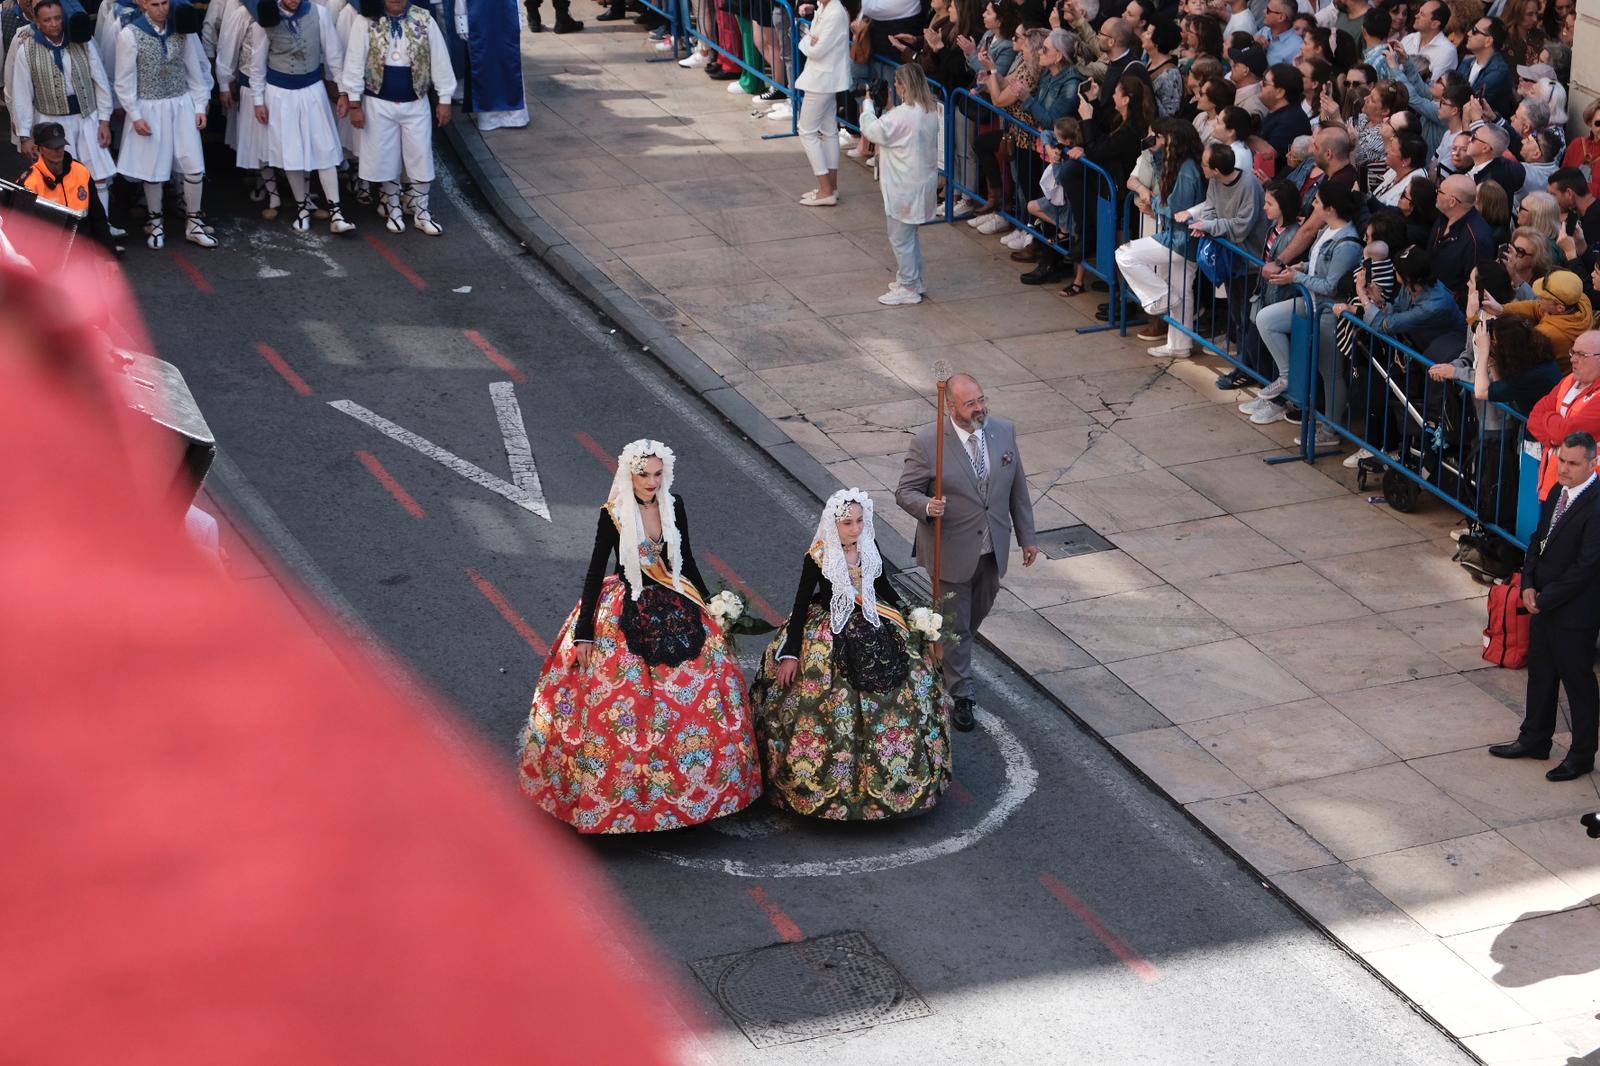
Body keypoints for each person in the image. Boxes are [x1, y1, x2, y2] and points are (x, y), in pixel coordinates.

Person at [517, 439, 762, 833]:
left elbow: (687, 560)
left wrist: (711, 606)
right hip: (626, 607)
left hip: (675, 602)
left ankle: (694, 792)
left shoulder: (674, 505)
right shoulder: (613, 512)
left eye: (657, 474)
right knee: (623, 702)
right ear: (629, 474)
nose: (651, 481)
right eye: (644, 474)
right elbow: (596, 572)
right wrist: (584, 633)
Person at [750, 489, 950, 819]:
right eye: (847, 523)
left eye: (859, 521)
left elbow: (884, 586)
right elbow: (800, 607)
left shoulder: (869, 545)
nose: (855, 529)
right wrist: (790, 653)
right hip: (830, 632)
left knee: (909, 684)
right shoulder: (817, 555)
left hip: (876, 624)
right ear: (833, 524)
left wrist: (915, 619)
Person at [895, 373, 1037, 733]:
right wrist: (928, 507)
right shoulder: (928, 442)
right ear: (951, 406)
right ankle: (963, 694)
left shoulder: (1004, 431)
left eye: (982, 399)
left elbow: (1017, 488)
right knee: (957, 624)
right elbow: (905, 492)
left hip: (992, 548)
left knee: (975, 614)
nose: (980, 408)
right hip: (950, 548)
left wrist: (1028, 537)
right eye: (971, 403)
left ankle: (942, 653)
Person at [1488, 428, 1600, 783]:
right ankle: (1535, 738)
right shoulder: (1557, 491)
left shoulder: (1597, 505)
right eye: (1560, 460)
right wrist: (1529, 584)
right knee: (1541, 674)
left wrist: (1545, 598)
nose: (1563, 469)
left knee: (1578, 682)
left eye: (1572, 463)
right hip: (1542, 601)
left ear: (1592, 463)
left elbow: (1588, 566)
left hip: (1575, 612)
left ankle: (1581, 755)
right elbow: (1538, 540)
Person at [337, 0, 456, 235]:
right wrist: (354, 104)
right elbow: (353, 63)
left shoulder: (425, 19)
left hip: (416, 102)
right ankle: (393, 210)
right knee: (386, 156)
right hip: (377, 103)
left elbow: (440, 61)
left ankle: (422, 212)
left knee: (420, 154)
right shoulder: (365, 21)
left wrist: (445, 100)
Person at [113, 0, 215, 250]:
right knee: (153, 168)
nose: (162, 8)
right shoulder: (130, 33)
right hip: (150, 106)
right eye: (155, 4)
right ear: (144, 5)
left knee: (192, 166)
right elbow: (124, 80)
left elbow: (195, 72)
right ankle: (156, 222)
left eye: (165, 2)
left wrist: (200, 106)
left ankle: (194, 222)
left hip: (181, 104)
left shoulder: (181, 28)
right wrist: (135, 115)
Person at [244, 0, 354, 234]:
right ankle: (302, 209)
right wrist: (258, 100)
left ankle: (336, 212)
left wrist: (343, 91)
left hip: (312, 90)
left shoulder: (320, 14)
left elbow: (334, 55)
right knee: (291, 153)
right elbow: (257, 66)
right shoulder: (265, 19)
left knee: (324, 150)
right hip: (280, 95)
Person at [5, 0, 115, 221]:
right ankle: (72, 236)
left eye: (57, 18)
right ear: (37, 21)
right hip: (51, 121)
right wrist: (25, 136)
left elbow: (101, 82)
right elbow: (22, 95)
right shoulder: (27, 49)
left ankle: (103, 228)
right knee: (61, 179)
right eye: (47, 20)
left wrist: (104, 120)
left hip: (87, 117)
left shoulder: (83, 42)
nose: (54, 24)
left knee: (99, 176)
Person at [1115, 117, 1206, 354]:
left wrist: (1153, 202)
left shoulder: (1186, 172)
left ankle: (1160, 296)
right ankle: (1179, 345)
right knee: (1183, 291)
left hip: (1179, 239)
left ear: (1171, 139)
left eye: (1157, 136)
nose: (1153, 139)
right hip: (1184, 239)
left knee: (1125, 254)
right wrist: (1155, 150)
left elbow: (1177, 210)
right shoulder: (1182, 164)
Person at [860, 65, 940, 305]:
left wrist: (867, 105)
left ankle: (908, 285)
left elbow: (872, 130)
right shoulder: (929, 110)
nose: (894, 87)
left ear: (904, 86)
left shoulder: (903, 115)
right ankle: (914, 279)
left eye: (897, 83)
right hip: (921, 182)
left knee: (900, 238)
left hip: (903, 186)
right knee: (909, 236)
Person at [19, 120, 117, 251]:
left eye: (60, 146)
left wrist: (109, 256)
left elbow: (98, 217)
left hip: (83, 250)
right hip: (48, 253)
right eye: (52, 147)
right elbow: (21, 231)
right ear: (38, 149)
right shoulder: (29, 183)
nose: (58, 151)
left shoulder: (81, 171)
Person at [1526, 331, 1600, 502]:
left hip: (1586, 496)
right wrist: (1557, 432)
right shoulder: (1568, 381)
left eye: (1581, 355)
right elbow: (1534, 417)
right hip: (1553, 487)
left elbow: (1566, 433)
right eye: (1573, 352)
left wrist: (1554, 429)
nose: (1573, 359)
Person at [792, 0, 853, 206]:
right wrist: (811, 38)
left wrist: (805, 40)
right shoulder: (825, 8)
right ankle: (830, 187)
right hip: (824, 78)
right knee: (828, 130)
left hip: (822, 79)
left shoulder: (835, 12)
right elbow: (814, 43)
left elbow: (816, 50)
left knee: (806, 131)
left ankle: (826, 189)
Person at [1484, 269, 1592, 368]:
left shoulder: (1548, 333)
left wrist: (1473, 320)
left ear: (1560, 308)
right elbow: (1536, 307)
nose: (1537, 298)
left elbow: (1514, 353)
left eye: (1542, 297)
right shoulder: (1579, 300)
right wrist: (1502, 309)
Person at [1455, 15, 1514, 119]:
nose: (1468, 33)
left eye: (1474, 31)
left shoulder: (1499, 72)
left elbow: (1465, 103)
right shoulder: (1467, 62)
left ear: (1488, 41)